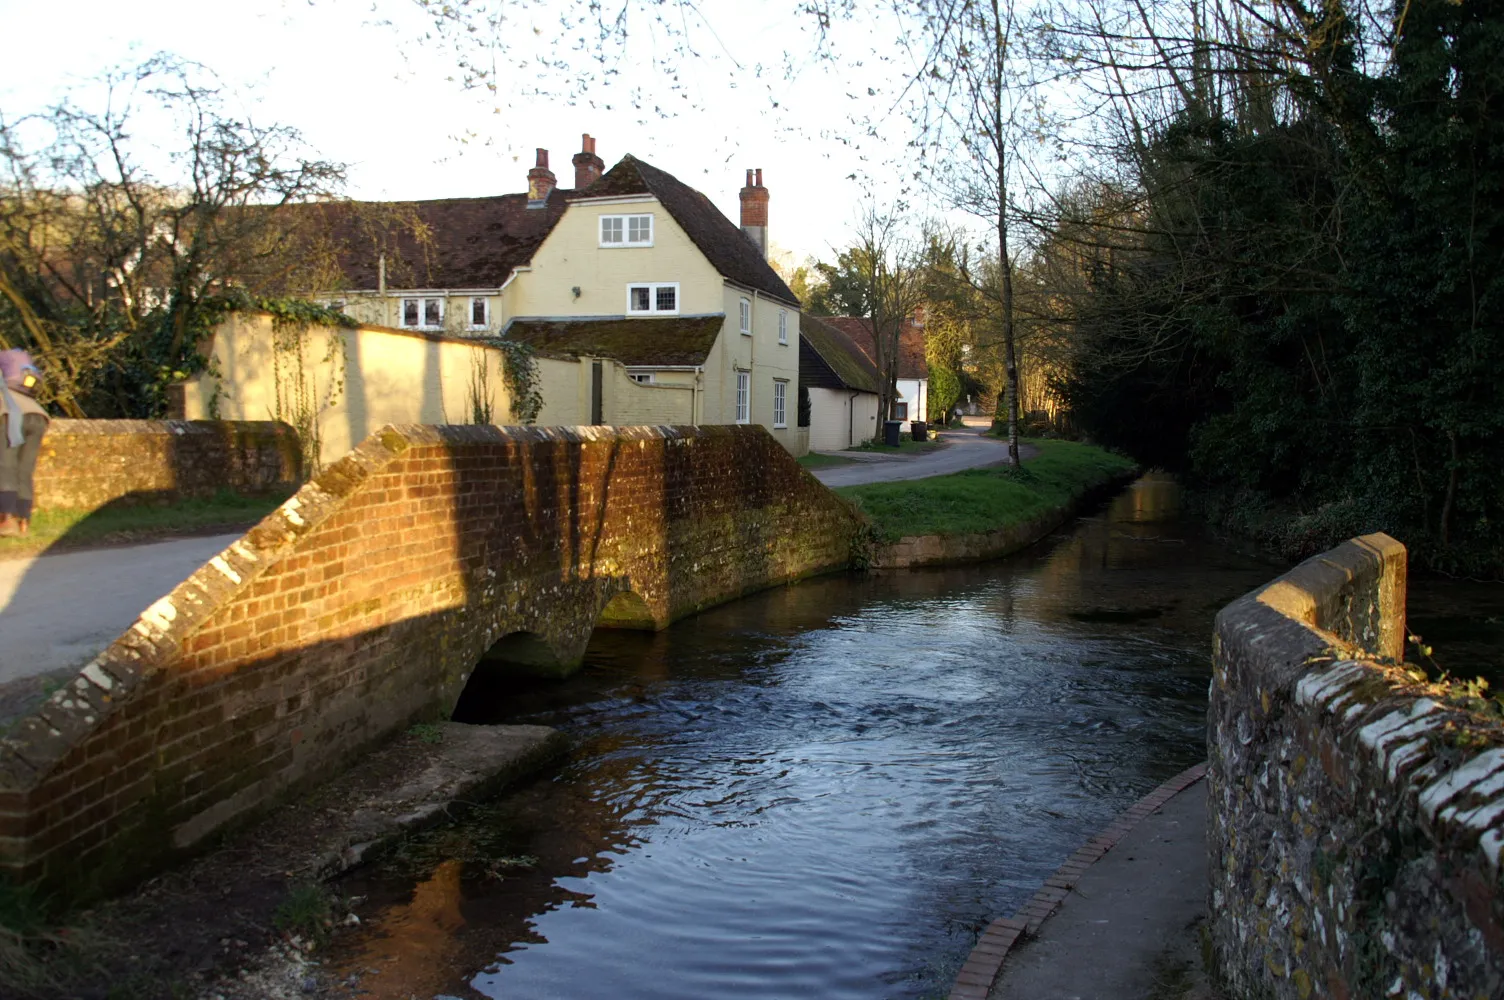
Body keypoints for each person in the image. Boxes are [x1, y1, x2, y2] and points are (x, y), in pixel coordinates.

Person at [0, 349, 49, 537]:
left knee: (6, 464)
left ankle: (6, 519)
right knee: (25, 469)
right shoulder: (17, 360)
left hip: (10, 413)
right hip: (38, 414)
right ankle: (23, 521)